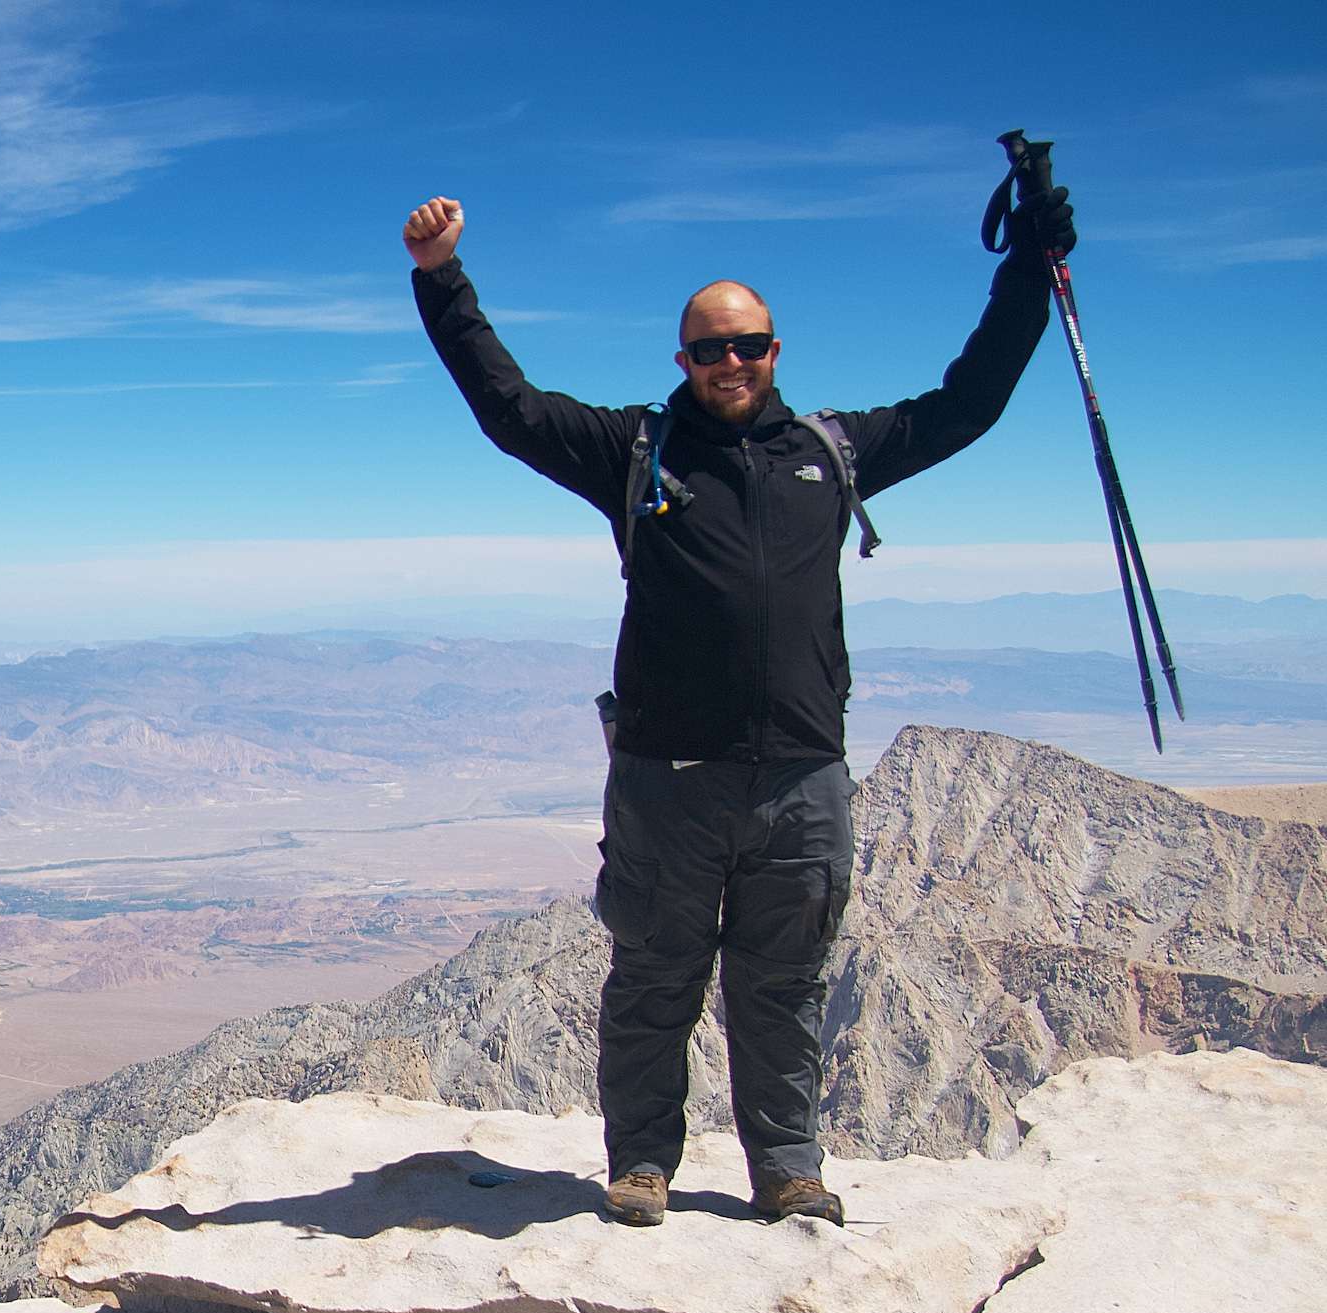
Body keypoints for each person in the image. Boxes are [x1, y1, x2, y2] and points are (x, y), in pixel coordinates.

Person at [402, 182, 1072, 1227]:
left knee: (783, 988)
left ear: (774, 350)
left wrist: (1027, 267)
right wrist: (443, 283)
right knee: (653, 981)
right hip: (668, 779)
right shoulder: (635, 453)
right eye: (709, 350)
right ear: (682, 361)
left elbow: (969, 401)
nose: (730, 364)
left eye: (747, 346)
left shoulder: (831, 454)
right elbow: (511, 409)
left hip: (803, 778)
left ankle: (789, 1170)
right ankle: (641, 1166)